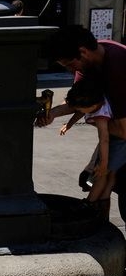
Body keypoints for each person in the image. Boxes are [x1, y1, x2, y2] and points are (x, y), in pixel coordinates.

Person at [35, 25, 126, 215]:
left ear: (82, 53)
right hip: (117, 137)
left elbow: (120, 131)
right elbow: (80, 101)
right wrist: (53, 114)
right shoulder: (89, 65)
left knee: (107, 178)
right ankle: (99, 221)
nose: (70, 70)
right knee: (103, 180)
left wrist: (98, 161)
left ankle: (92, 211)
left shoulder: (119, 66)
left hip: (121, 138)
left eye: (69, 65)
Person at [59, 78, 126, 210]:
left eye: (81, 109)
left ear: (93, 106)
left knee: (101, 174)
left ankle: (90, 202)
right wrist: (69, 124)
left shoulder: (101, 116)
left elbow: (104, 139)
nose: (80, 111)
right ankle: (103, 198)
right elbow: (80, 112)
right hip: (117, 141)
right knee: (111, 174)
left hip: (118, 143)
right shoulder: (93, 101)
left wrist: (103, 163)